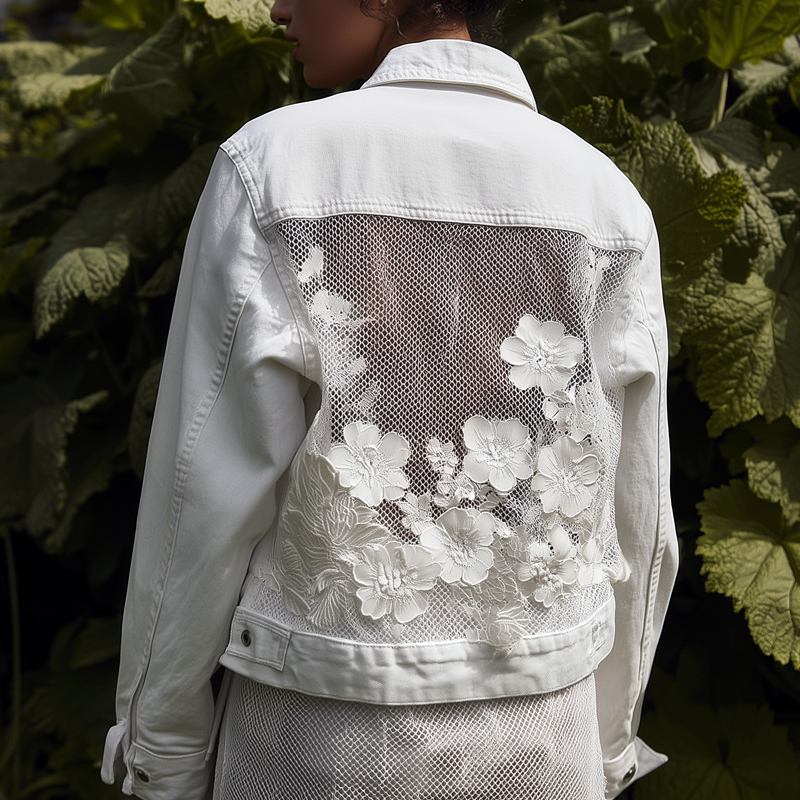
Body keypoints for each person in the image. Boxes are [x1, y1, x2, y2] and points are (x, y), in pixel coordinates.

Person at [101, 0, 679, 798]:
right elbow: (639, 516)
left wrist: (162, 754)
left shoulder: (273, 167)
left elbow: (197, 500)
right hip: (547, 739)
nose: (276, 9)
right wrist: (608, 742)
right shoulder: (607, 200)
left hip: (319, 744)